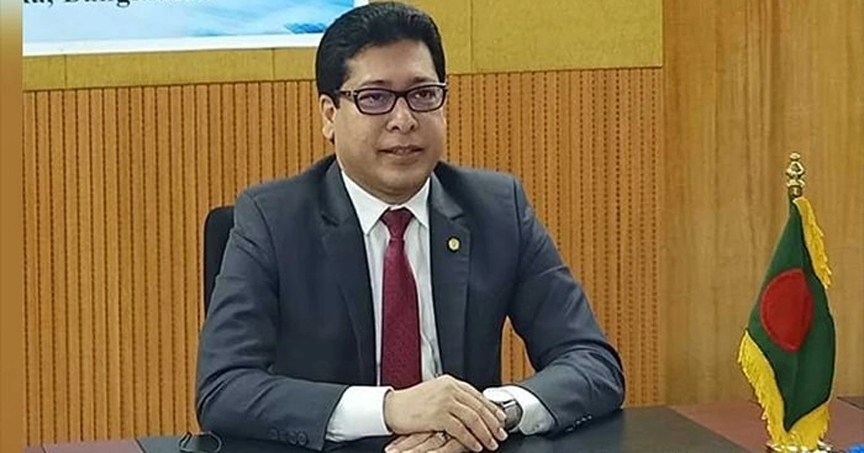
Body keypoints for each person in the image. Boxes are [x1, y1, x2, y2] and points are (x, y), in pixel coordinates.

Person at [195, 2, 625, 453]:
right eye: (374, 98)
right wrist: (390, 408)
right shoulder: (272, 220)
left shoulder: (497, 209)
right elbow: (224, 387)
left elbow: (592, 363)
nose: (404, 120)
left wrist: (487, 415)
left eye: (422, 94)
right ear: (329, 115)